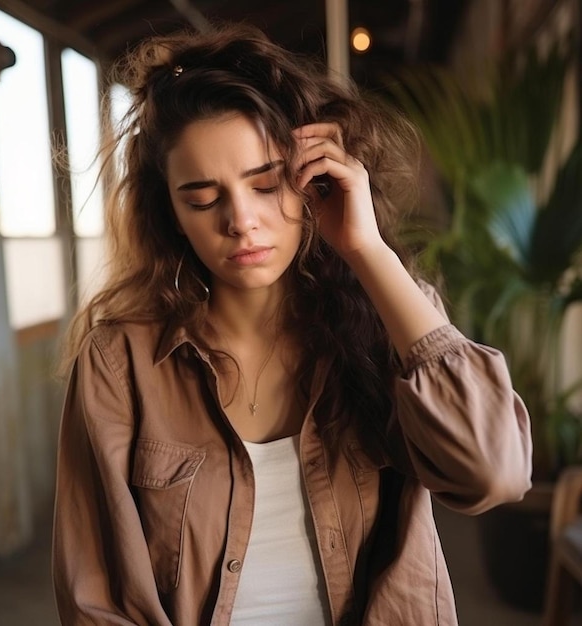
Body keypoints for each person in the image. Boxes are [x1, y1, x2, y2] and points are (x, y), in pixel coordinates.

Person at [52, 21, 533, 626]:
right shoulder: (119, 362)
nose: (241, 220)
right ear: (171, 213)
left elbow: (494, 473)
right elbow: (95, 598)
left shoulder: (384, 323)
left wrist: (368, 251)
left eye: (266, 183)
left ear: (315, 180)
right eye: (203, 198)